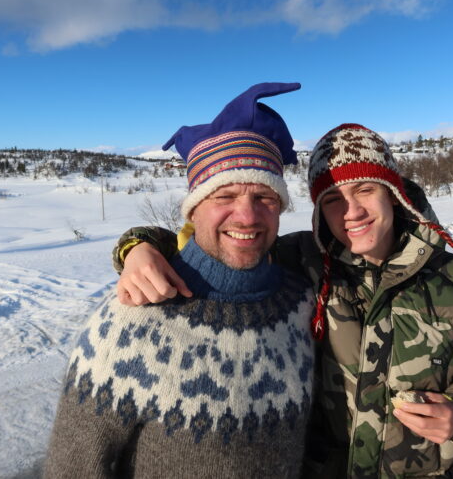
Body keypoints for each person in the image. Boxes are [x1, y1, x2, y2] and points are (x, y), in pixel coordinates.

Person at [116, 124, 453, 478]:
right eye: (333, 198)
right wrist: (139, 248)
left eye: (365, 190)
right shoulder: (299, 261)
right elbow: (215, 246)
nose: (350, 211)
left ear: (393, 192)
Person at [44, 82, 319, 478]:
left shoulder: (301, 301)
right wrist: (135, 247)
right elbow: (72, 470)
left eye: (265, 198)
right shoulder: (132, 318)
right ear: (193, 211)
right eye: (223, 197)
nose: (247, 216)